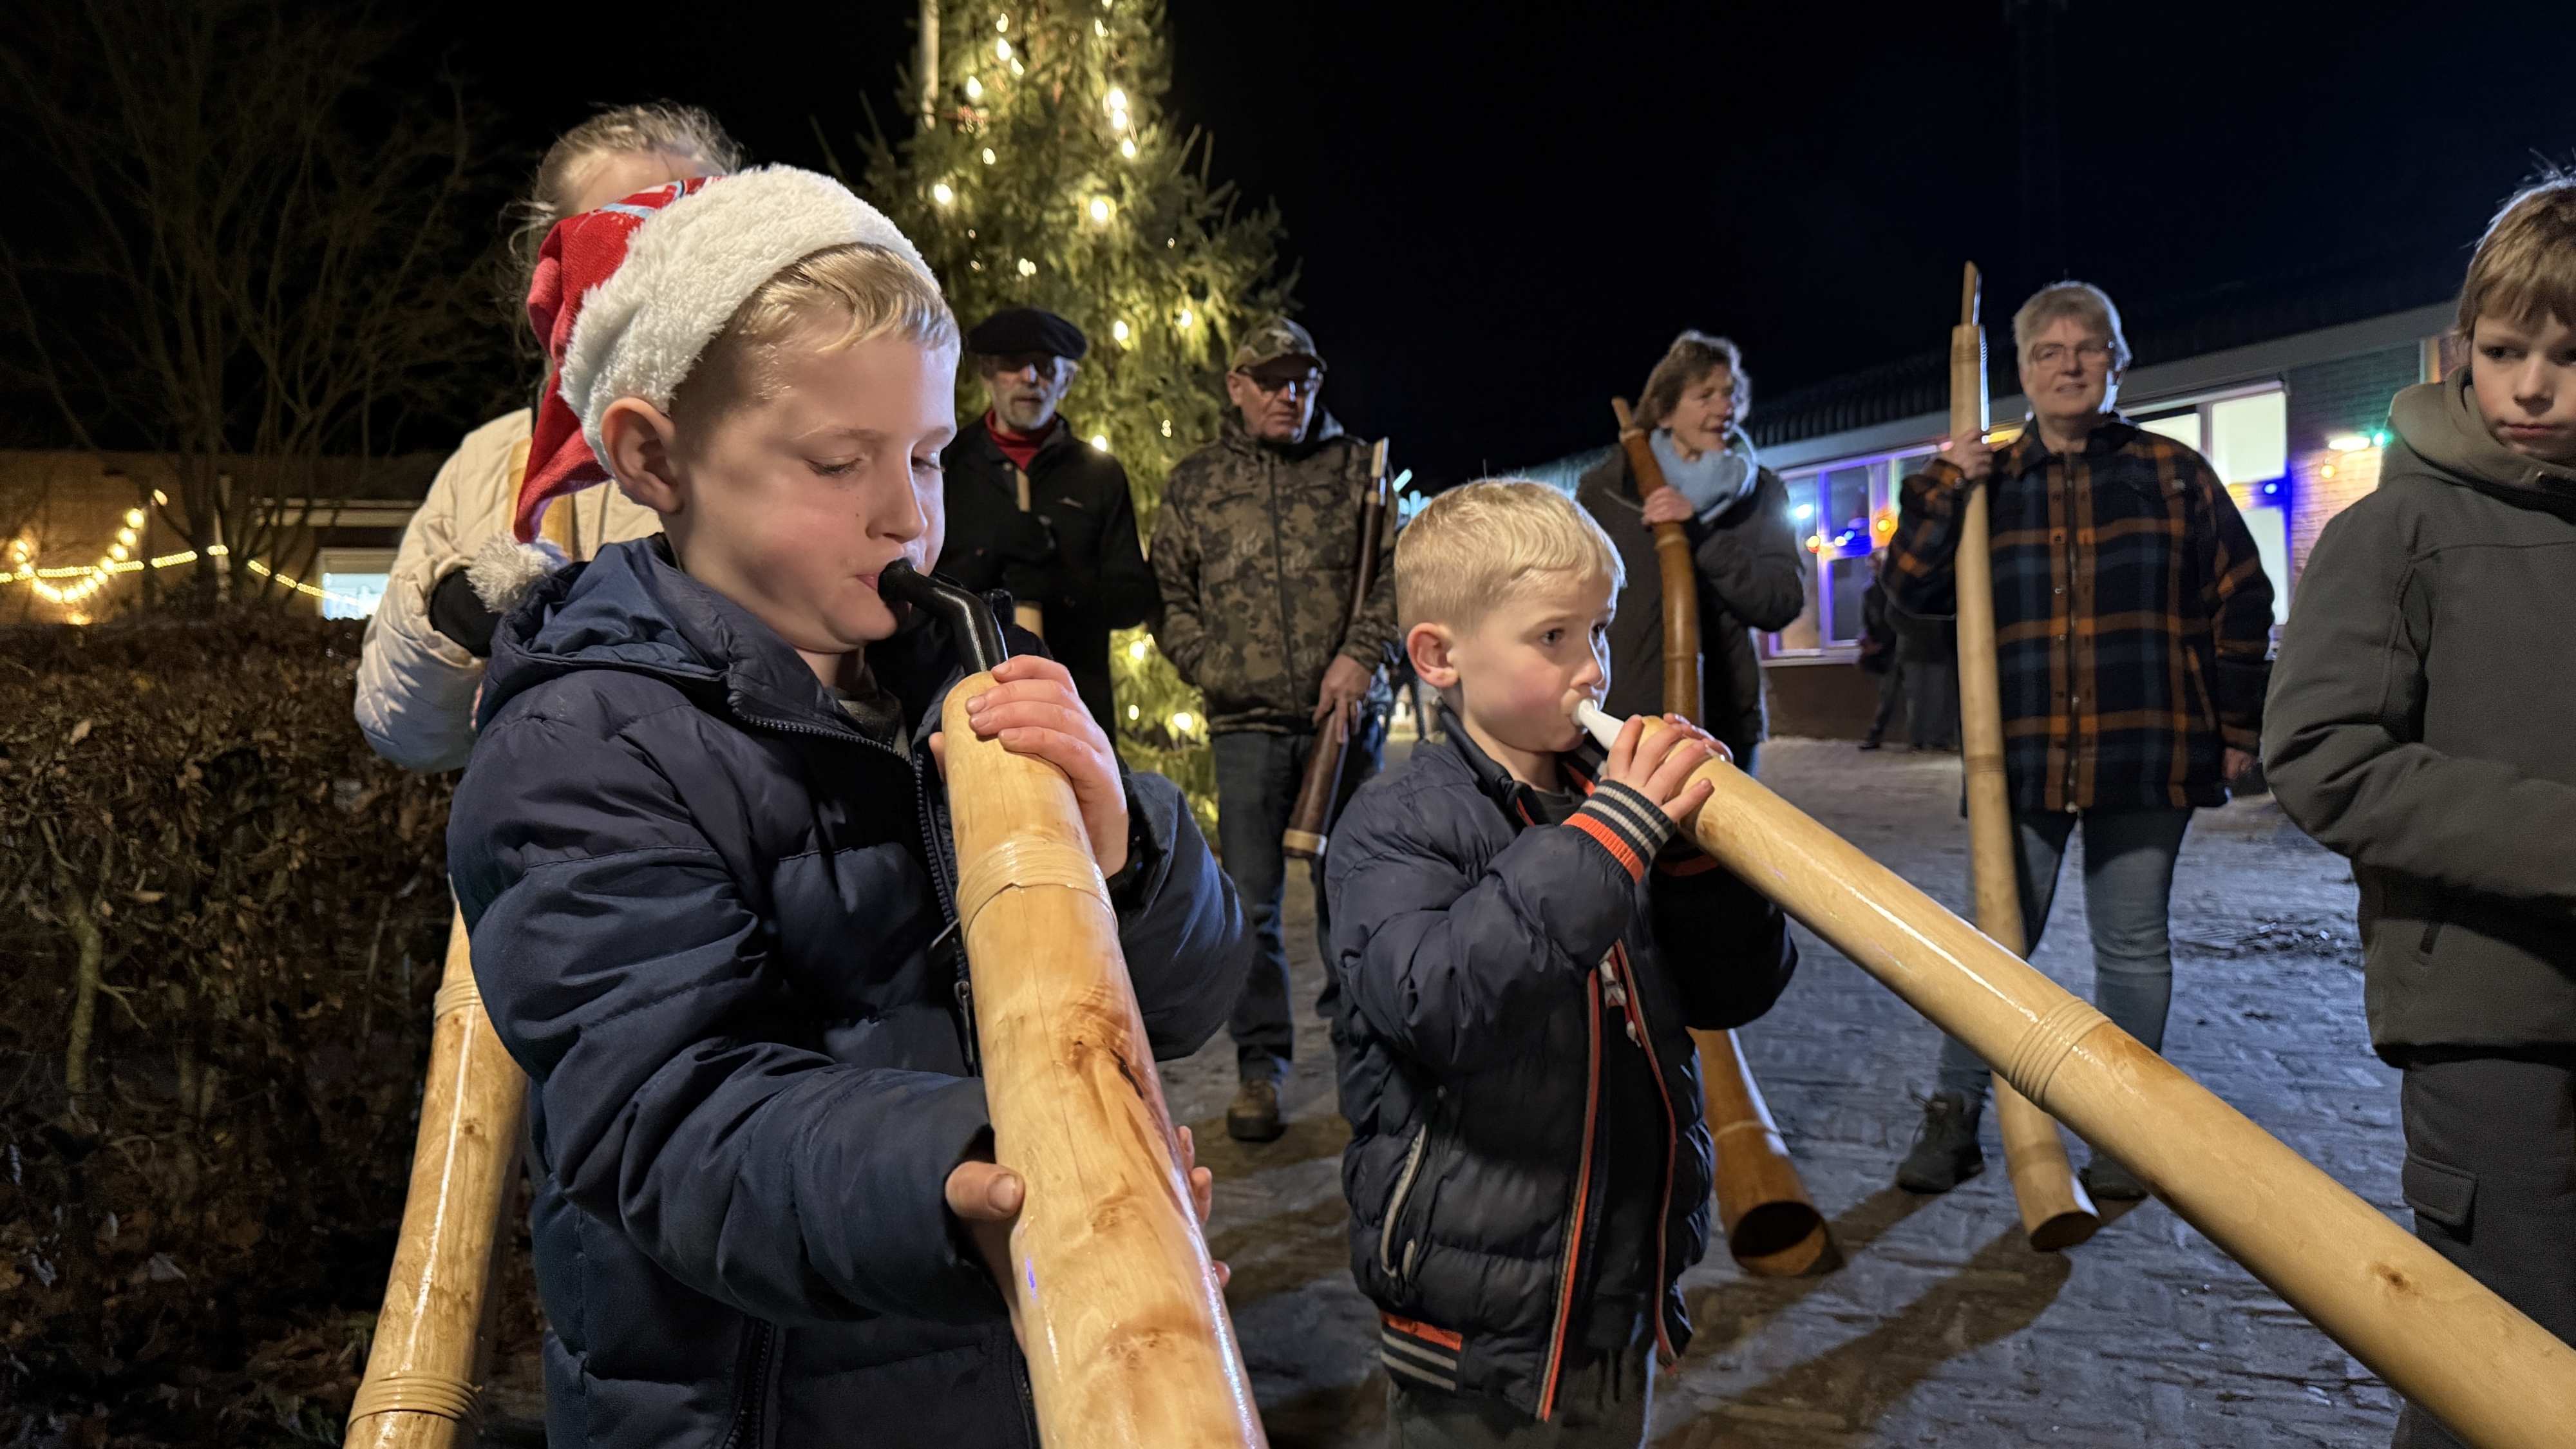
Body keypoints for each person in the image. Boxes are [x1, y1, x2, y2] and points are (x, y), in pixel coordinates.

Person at [442, 167, 1249, 1446]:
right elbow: (667, 1119)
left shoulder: (949, 678)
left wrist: (1132, 857)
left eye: (929, 456)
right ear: (655, 456)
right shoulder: (576, 745)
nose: (908, 515)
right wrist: (974, 1183)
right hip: (749, 1408)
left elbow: (1186, 1000)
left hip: (985, 1372)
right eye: (839, 463)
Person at [1324, 481, 1795, 1446]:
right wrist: (1612, 835)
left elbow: (1734, 990)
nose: (1593, 669)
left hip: (1615, 1285)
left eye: (1601, 631)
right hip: (1474, 1318)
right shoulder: (1398, 822)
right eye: (1553, 638)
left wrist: (1704, 864)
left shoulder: (1612, 806)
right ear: (1440, 655)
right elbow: (1439, 1002)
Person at [2264, 173, 2576, 1449]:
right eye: (2505, 353)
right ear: (2463, 350)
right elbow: (2321, 754)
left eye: (2567, 356)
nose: (2532, 388)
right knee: (2494, 1361)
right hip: (2485, 1017)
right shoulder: (2397, 530)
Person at [1884, 280, 2274, 1199]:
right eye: (2049, 352)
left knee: (2132, 945)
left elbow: (2241, 599)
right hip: (2015, 753)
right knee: (1990, 946)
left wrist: (2237, 724)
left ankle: (2126, 1133)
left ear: (2116, 363)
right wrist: (1947, 486)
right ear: (2020, 371)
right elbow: (1907, 592)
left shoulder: (2173, 474)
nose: (2069, 365)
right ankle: (1957, 1115)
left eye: (2087, 348)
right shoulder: (1984, 485)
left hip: (2147, 746)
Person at [357, 104, 741, 773]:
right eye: (624, 234)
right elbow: (405, 732)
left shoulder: (786, 442)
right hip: (536, 861)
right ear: (555, 267)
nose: (662, 271)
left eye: (694, 231)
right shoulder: (492, 458)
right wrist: (451, 618)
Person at [1150, 317, 1397, 1142]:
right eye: (1271, 381)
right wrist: (1221, 671)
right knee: (1250, 908)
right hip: (1246, 731)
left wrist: (1360, 657)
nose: (1288, 395)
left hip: (1345, 724)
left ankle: (1369, 1064)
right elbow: (1169, 601)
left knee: (1353, 901)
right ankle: (1260, 1069)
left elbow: (1399, 578)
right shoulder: (1196, 484)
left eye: (1302, 380)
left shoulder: (1359, 470)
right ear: (1238, 386)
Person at [1577, 332, 1803, 773]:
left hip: (1720, 725)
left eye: (1731, 394)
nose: (1725, 408)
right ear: (1663, 412)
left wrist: (1700, 536)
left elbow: (1780, 602)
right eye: (1706, 396)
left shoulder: (1761, 492)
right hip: (1621, 720)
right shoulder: (1606, 491)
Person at [938, 307, 1156, 736]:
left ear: (1067, 380)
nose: (1030, 378)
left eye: (1044, 367)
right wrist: (987, 558)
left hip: (1074, 709)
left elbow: (1134, 597)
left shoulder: (1099, 475)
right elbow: (921, 588)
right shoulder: (948, 466)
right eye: (1014, 366)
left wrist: (1061, 588)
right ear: (987, 374)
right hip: (966, 705)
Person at [1857, 573, 1901, 750]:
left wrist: (1882, 644)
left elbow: (1896, 621)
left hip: (1899, 649)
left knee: (1894, 693)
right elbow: (1869, 620)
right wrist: (1868, 640)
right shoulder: (1871, 592)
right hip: (1886, 651)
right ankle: (1876, 733)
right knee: (1888, 693)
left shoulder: (1894, 589)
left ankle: (1923, 739)